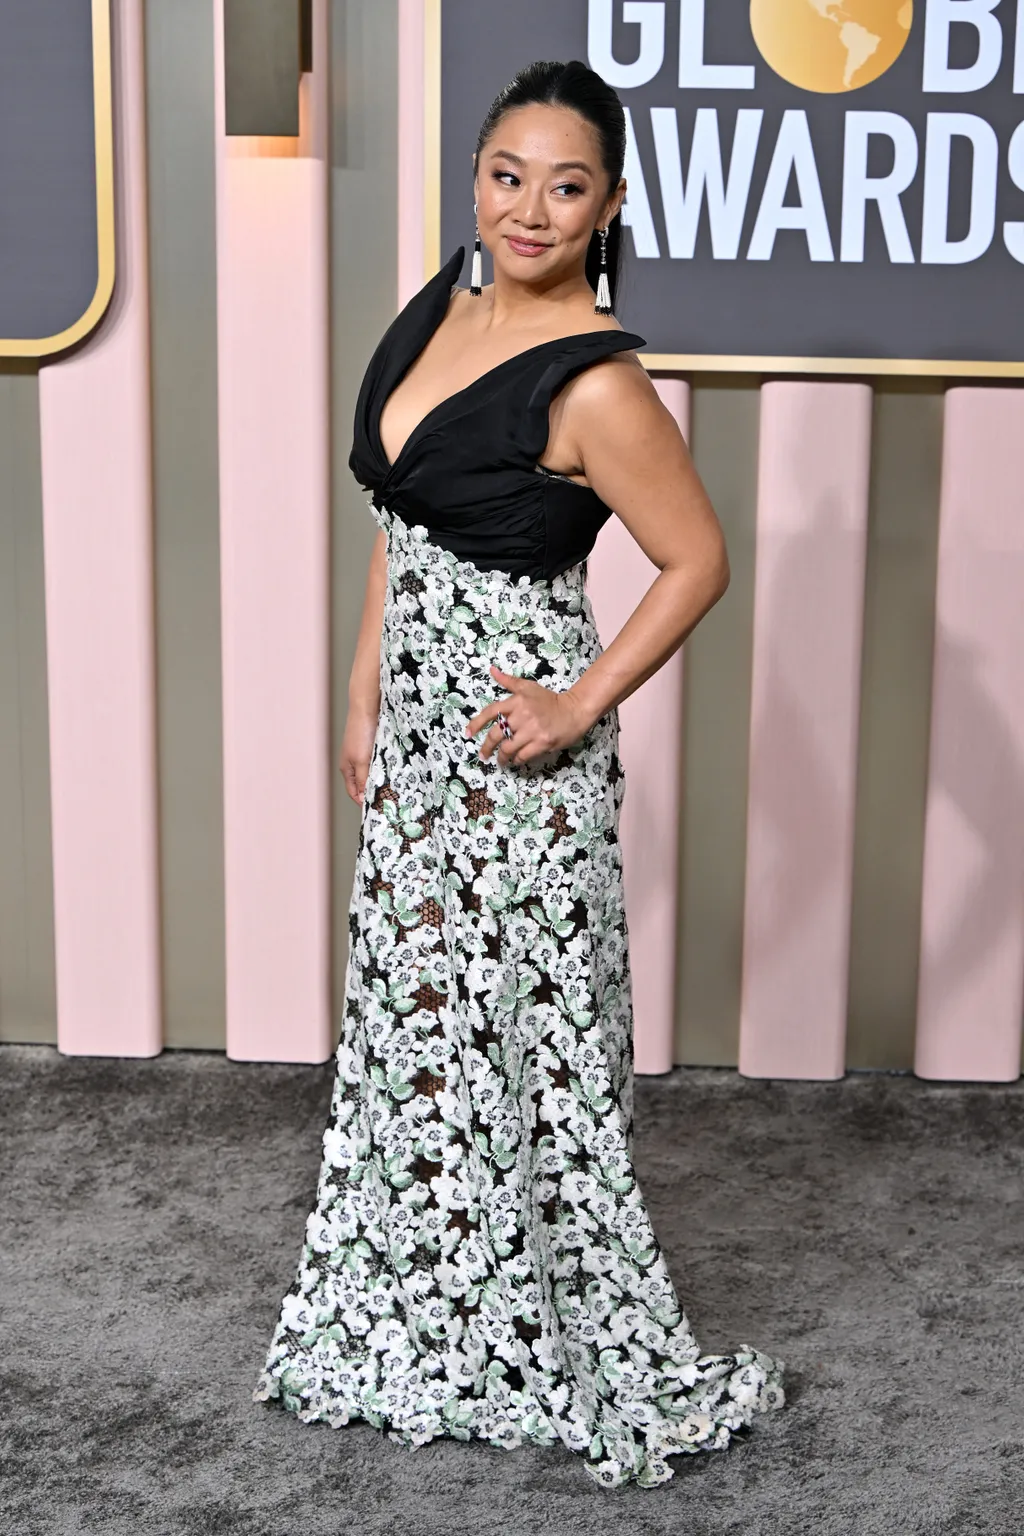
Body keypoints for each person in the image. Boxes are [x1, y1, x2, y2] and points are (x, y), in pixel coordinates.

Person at [253, 58, 784, 1489]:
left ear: (608, 207)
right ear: (477, 175)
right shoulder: (444, 305)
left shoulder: (597, 380)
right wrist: (364, 687)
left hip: (512, 747)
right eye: (508, 175)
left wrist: (576, 705)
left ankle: (532, 1322)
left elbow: (698, 559)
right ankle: (431, 1308)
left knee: (522, 1036)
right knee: (419, 1017)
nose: (529, 208)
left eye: (566, 187)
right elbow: (403, 518)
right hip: (416, 732)